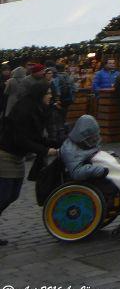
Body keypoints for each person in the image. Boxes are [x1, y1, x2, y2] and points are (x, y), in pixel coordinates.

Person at [0, 81, 60, 245]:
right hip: (5, 156)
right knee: (4, 196)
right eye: (47, 93)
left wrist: (54, 143)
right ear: (39, 94)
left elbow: (34, 136)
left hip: (16, 157)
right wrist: (45, 151)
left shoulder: (36, 109)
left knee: (13, 195)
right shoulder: (24, 110)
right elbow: (21, 139)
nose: (50, 96)